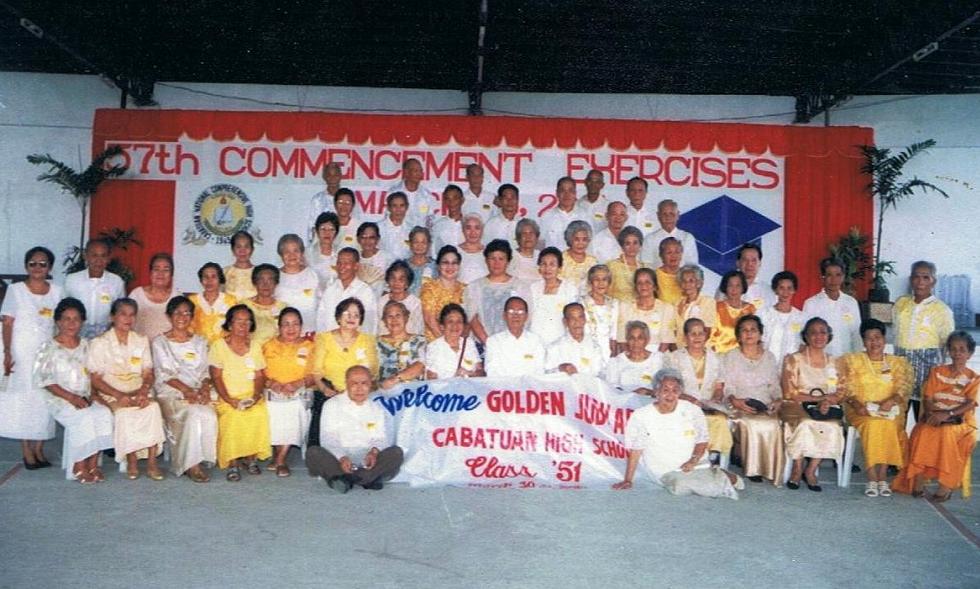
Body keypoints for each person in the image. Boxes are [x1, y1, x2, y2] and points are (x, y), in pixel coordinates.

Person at [613, 368, 742, 498]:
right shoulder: (641, 415)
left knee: (688, 483)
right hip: (661, 470)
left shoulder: (692, 410)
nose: (670, 395)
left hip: (693, 464)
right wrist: (628, 480)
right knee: (680, 486)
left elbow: (702, 440)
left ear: (680, 392)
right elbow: (636, 449)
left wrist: (693, 460)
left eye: (675, 390)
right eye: (665, 390)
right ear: (656, 392)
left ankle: (723, 477)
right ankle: (718, 477)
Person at [35, 298, 113, 482]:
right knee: (84, 417)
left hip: (86, 396)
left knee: (103, 413)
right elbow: (46, 381)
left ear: (82, 322)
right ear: (58, 321)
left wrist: (94, 395)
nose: (71, 323)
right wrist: (71, 398)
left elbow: (94, 374)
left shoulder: (87, 345)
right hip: (59, 399)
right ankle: (78, 464)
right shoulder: (48, 347)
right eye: (66, 319)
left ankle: (93, 464)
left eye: (76, 319)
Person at [893, 331, 977, 501]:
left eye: (962, 349)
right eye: (953, 349)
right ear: (948, 351)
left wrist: (947, 415)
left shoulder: (974, 378)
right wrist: (933, 414)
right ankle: (918, 480)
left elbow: (970, 403)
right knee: (923, 431)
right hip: (934, 415)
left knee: (946, 434)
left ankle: (946, 485)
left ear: (970, 353)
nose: (957, 353)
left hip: (959, 420)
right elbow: (928, 398)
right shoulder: (937, 371)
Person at [88, 298, 166, 480]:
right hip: (112, 393)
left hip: (139, 391)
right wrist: (118, 395)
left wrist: (144, 390)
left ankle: (152, 462)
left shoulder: (140, 340)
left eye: (132, 315)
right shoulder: (100, 343)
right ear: (112, 317)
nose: (128, 319)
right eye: (123, 314)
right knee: (125, 413)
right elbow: (95, 379)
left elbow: (148, 372)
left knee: (153, 408)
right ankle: (131, 460)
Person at [1, 246, 62, 468]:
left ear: (50, 267)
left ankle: (39, 448)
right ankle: (27, 450)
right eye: (32, 264)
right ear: (26, 266)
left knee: (45, 399)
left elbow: (61, 323)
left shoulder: (58, 291)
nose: (37, 268)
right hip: (22, 352)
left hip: (48, 353)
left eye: (43, 264)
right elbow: (7, 323)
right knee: (25, 400)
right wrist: (8, 352)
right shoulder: (15, 290)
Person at [839, 319, 914, 498]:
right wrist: (857, 404)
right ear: (863, 341)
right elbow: (846, 389)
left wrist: (892, 400)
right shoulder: (853, 361)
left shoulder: (897, 363)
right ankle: (872, 477)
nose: (874, 342)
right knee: (873, 424)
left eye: (877, 337)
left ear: (884, 339)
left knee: (887, 424)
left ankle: (882, 476)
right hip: (860, 410)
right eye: (869, 338)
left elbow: (904, 388)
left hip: (890, 410)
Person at [305, 365, 404, 493]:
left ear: (371, 384)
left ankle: (344, 479)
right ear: (346, 384)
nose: (359, 388)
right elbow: (328, 438)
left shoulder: (377, 408)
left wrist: (374, 452)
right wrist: (342, 457)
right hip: (338, 456)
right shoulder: (332, 405)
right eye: (354, 383)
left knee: (396, 453)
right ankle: (367, 478)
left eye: (364, 383)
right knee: (313, 453)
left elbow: (381, 438)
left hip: (366, 457)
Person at [152, 296, 217, 482]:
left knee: (209, 413)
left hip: (197, 389)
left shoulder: (200, 341)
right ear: (169, 316)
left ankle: (203, 457)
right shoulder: (160, 342)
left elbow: (205, 371)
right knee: (193, 413)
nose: (182, 317)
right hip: (171, 391)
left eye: (187, 313)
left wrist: (204, 389)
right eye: (177, 313)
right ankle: (190, 465)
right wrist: (188, 392)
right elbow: (165, 374)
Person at [779, 317, 845, 492]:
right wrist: (817, 401)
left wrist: (827, 402)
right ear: (806, 336)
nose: (818, 336)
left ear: (829, 336)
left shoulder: (835, 362)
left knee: (831, 425)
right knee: (806, 423)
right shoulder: (794, 359)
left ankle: (811, 469)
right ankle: (797, 468)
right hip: (796, 405)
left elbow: (841, 391)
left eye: (823, 332)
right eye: (813, 333)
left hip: (825, 406)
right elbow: (789, 393)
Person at [209, 304, 271, 481]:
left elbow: (260, 376)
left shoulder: (255, 346)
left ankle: (251, 458)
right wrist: (229, 400)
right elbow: (216, 377)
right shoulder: (218, 346)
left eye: (248, 321)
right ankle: (233, 462)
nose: (244, 325)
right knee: (234, 416)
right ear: (230, 324)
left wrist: (256, 396)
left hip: (251, 396)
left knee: (258, 413)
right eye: (239, 321)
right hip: (227, 397)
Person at [309, 297, 379, 447]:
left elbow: (373, 371)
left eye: (356, 315)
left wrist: (355, 391)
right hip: (330, 391)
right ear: (338, 317)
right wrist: (325, 389)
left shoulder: (367, 340)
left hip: (359, 392)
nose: (352, 318)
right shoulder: (323, 338)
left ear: (361, 320)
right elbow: (316, 371)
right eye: (347, 314)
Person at [723, 315, 784, 485]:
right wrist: (735, 400)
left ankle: (769, 468)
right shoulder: (731, 356)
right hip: (739, 403)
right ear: (738, 335)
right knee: (751, 422)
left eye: (753, 330)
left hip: (764, 403)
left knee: (773, 424)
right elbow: (728, 386)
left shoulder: (769, 357)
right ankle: (752, 467)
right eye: (744, 330)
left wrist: (777, 400)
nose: (749, 333)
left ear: (760, 334)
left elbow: (774, 385)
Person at [893, 261, 955, 421]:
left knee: (924, 419)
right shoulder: (901, 304)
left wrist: (946, 377)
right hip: (901, 369)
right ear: (910, 279)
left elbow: (949, 346)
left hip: (928, 371)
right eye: (916, 276)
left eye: (926, 277)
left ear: (933, 281)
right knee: (897, 417)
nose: (920, 282)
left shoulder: (942, 310)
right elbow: (896, 334)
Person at [667, 318, 731, 463]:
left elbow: (719, 386)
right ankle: (690, 458)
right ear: (685, 337)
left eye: (701, 333)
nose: (697, 337)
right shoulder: (674, 358)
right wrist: (690, 400)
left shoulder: (716, 358)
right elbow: (670, 388)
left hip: (708, 406)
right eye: (693, 333)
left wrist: (716, 398)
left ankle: (714, 458)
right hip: (683, 404)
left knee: (720, 419)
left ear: (706, 336)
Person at [262, 307, 315, 478]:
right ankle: (279, 455)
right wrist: (271, 383)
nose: (291, 328)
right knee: (273, 408)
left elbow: (316, 375)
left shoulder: (310, 346)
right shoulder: (268, 346)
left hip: (301, 390)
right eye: (286, 324)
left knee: (293, 408)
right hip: (272, 389)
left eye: (295, 324)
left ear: (301, 326)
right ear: (279, 327)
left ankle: (280, 459)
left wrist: (297, 384)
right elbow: (259, 373)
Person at [464, 240, 528, 344]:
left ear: (508, 261)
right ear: (486, 260)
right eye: (492, 258)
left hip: (513, 344)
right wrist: (489, 343)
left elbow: (526, 318)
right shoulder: (474, 287)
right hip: (483, 344)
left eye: (501, 259)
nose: (496, 263)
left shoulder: (520, 286)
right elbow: (472, 318)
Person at [63, 238, 125, 338]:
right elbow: (63, 309)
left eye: (103, 256)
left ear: (109, 258)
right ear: (85, 256)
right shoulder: (72, 280)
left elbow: (120, 311)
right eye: (94, 255)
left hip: (106, 335)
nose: (98, 260)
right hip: (76, 333)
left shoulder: (116, 282)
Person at [802, 257, 861, 357]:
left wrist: (857, 358)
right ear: (822, 277)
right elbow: (806, 336)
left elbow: (856, 335)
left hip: (847, 359)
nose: (834, 280)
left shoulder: (851, 302)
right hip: (821, 360)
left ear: (843, 277)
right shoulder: (811, 303)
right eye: (829, 275)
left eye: (838, 275)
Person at [315, 247, 378, 333]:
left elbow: (370, 324)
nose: (341, 267)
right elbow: (321, 320)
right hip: (329, 340)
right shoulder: (330, 290)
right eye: (339, 263)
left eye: (346, 263)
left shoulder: (365, 291)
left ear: (356, 266)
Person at [617, 268, 677, 354]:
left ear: (655, 286)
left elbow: (666, 339)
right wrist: (632, 357)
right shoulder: (625, 307)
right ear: (635, 287)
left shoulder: (666, 308)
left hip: (659, 355)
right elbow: (622, 338)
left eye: (647, 282)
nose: (643, 286)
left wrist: (654, 359)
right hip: (630, 355)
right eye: (639, 283)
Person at [529, 247, 580, 345]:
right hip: (535, 339)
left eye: (552, 264)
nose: (547, 268)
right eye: (544, 264)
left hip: (561, 340)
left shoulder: (569, 289)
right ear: (539, 267)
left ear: (559, 268)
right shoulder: (533, 288)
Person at [485, 297, 546, 377]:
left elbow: (540, 369)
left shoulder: (536, 340)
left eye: (521, 312)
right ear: (504, 315)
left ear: (526, 316)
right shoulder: (494, 341)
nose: (516, 315)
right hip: (502, 384)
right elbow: (492, 370)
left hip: (530, 384)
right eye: (511, 311)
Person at [545, 303, 606, 377]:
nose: (577, 322)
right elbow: (546, 376)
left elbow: (600, 375)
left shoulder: (594, 346)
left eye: (580, 317)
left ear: (585, 319)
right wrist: (560, 369)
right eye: (572, 318)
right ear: (565, 322)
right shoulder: (554, 348)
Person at [425, 304, 484, 379]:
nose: (455, 325)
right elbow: (431, 377)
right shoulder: (434, 347)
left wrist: (470, 373)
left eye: (459, 321)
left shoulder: (469, 343)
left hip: (471, 385)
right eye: (450, 321)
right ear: (442, 326)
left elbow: (481, 372)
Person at [377, 300, 427, 390]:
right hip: (384, 393)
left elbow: (420, 366)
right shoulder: (376, 343)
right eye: (390, 316)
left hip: (414, 392)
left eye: (398, 315)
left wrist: (395, 379)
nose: (394, 320)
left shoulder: (420, 341)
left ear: (406, 318)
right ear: (384, 321)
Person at [274, 233, 320, 330]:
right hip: (283, 333)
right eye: (287, 251)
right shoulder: (274, 277)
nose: (292, 255)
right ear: (281, 254)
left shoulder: (312, 274)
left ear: (302, 253)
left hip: (310, 332)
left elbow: (321, 305)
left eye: (296, 251)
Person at [606, 321, 664, 396]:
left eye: (640, 338)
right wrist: (631, 394)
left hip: (650, 401)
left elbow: (664, 388)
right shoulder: (616, 361)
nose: (636, 342)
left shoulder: (656, 359)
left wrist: (649, 392)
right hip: (623, 401)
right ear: (627, 340)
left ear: (647, 340)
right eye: (632, 338)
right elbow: (611, 389)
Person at [420, 246, 465, 341]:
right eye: (445, 263)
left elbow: (468, 320)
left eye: (454, 263)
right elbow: (429, 319)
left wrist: (460, 343)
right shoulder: (429, 288)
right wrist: (445, 344)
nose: (450, 267)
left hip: (460, 342)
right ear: (438, 266)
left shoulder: (465, 289)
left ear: (459, 266)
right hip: (434, 341)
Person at [759, 271, 805, 362]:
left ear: (794, 290)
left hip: (792, 365)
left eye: (789, 288)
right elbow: (759, 342)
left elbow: (802, 344)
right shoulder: (764, 314)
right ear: (775, 290)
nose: (785, 292)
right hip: (767, 363)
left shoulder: (801, 317)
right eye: (781, 288)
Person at [129, 252, 177, 340]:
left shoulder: (177, 297)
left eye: (166, 270)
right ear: (150, 272)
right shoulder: (137, 294)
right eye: (156, 269)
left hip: (168, 346)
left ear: (171, 274)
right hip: (139, 346)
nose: (160, 273)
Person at [188, 262, 237, 344]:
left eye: (213, 276)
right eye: (205, 277)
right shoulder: (192, 301)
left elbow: (235, 328)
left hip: (223, 347)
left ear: (220, 279)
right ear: (201, 280)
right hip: (197, 347)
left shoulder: (231, 301)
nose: (209, 281)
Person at [709, 270, 756, 354]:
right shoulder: (716, 307)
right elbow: (708, 336)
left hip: (744, 356)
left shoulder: (751, 309)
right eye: (730, 285)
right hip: (719, 355)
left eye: (738, 285)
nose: (734, 289)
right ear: (725, 287)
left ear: (743, 287)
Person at [641, 199, 699, 267]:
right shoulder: (650, 239)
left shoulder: (687, 238)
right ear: (658, 215)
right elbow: (646, 266)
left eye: (672, 214)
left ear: (678, 215)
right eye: (664, 214)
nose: (668, 218)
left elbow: (692, 266)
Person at [243, 264, 287, 346]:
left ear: (276, 283)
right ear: (254, 283)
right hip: (250, 351)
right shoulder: (244, 306)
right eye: (261, 280)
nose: (265, 284)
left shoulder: (283, 307)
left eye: (270, 280)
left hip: (276, 351)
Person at [539, 176, 588, 249]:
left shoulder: (584, 216)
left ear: (575, 193)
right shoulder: (547, 216)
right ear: (557, 193)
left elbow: (589, 244)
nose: (567, 194)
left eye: (570, 190)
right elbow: (540, 244)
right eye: (562, 190)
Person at [388, 157, 437, 228]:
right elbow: (388, 216)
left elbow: (430, 217)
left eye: (421, 171)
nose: (419, 174)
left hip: (419, 233)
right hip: (398, 233)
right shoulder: (393, 192)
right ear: (406, 172)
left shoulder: (426, 195)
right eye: (416, 171)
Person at [675, 264, 718, 345]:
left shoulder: (707, 302)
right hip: (679, 348)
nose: (687, 284)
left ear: (699, 283)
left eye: (691, 281)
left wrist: (690, 349)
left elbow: (707, 331)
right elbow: (673, 331)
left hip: (699, 347)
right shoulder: (677, 303)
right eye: (684, 281)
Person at [582, 264, 619, 358]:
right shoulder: (581, 302)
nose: (601, 283)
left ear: (609, 282)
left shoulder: (614, 303)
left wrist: (613, 351)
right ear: (590, 282)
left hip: (607, 349)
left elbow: (613, 331)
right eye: (596, 279)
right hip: (587, 348)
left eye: (604, 279)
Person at [378, 261, 422, 337]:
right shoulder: (381, 301)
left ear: (407, 283)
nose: (396, 283)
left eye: (401, 279)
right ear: (388, 281)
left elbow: (417, 330)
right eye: (393, 278)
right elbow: (380, 328)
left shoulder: (415, 303)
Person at [607, 226, 648, 304]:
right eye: (627, 243)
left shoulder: (645, 267)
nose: (632, 247)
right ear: (622, 246)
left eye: (635, 243)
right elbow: (606, 293)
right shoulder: (612, 266)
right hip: (617, 309)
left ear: (640, 245)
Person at [727, 243, 774, 311]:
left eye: (754, 260)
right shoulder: (725, 289)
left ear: (760, 263)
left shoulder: (768, 291)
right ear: (738, 263)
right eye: (745, 260)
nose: (749, 264)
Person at [306, 161, 343, 241]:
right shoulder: (317, 200)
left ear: (340, 176)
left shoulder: (348, 199)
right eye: (329, 175)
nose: (332, 178)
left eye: (336, 175)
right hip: (323, 244)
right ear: (324, 177)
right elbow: (312, 226)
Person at [560, 220, 597, 289]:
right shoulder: (560, 259)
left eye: (584, 239)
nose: (580, 243)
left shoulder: (593, 262)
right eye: (576, 239)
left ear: (588, 241)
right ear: (569, 239)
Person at [355, 221, 390, 293]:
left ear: (378, 239)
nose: (367, 241)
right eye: (363, 237)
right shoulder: (355, 258)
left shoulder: (387, 258)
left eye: (371, 237)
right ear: (358, 239)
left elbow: (390, 286)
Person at [378, 191, 413, 261]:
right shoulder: (378, 228)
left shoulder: (411, 229)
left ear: (407, 207)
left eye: (402, 205)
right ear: (388, 207)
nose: (398, 210)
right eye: (394, 206)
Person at [309, 212, 340, 288]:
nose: (327, 233)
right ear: (317, 231)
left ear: (336, 233)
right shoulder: (307, 253)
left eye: (331, 229)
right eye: (323, 229)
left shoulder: (341, 253)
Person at [224, 230, 257, 300]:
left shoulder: (260, 273)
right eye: (238, 247)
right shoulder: (224, 272)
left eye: (246, 246)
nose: (242, 251)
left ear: (252, 249)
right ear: (232, 250)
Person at [431, 184, 465, 253]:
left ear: (462, 200)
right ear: (444, 201)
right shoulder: (438, 225)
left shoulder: (470, 224)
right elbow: (434, 250)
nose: (451, 202)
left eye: (455, 198)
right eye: (448, 199)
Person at [508, 218, 543, 282]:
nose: (528, 237)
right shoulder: (510, 257)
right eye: (524, 233)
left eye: (531, 233)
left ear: (537, 237)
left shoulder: (542, 257)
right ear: (518, 238)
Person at [457, 214, 489, 284]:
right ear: (462, 230)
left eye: (477, 228)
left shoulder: (489, 252)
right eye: (468, 228)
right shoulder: (455, 252)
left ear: (482, 230)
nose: (473, 232)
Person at [406, 227, 436, 295]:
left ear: (429, 245)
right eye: (416, 242)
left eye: (423, 242)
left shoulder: (436, 266)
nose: (419, 245)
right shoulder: (403, 266)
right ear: (410, 244)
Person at [654, 237, 684, 305]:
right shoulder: (654, 276)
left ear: (681, 254)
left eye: (677, 252)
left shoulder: (687, 275)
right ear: (661, 255)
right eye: (669, 252)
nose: (673, 256)